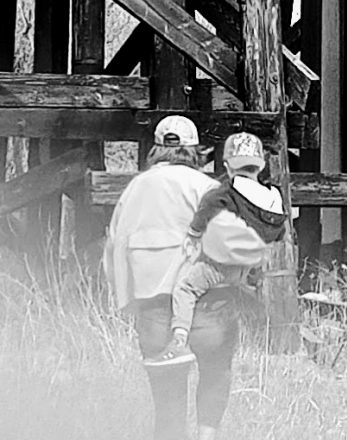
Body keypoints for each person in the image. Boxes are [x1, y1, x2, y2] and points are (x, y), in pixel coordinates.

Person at [102, 116, 240, 440]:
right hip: (208, 304)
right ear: (195, 152)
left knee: (167, 396)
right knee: (215, 373)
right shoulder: (205, 187)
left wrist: (124, 301)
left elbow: (114, 247)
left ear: (155, 150)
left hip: (154, 306)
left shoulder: (135, 189)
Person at [158, 133, 290, 365]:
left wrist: (193, 235)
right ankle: (256, 331)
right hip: (247, 268)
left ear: (228, 166)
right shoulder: (273, 196)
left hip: (219, 266)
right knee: (234, 293)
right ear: (260, 166)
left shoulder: (225, 193)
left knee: (185, 288)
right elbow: (280, 234)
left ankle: (179, 340)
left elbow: (203, 214)